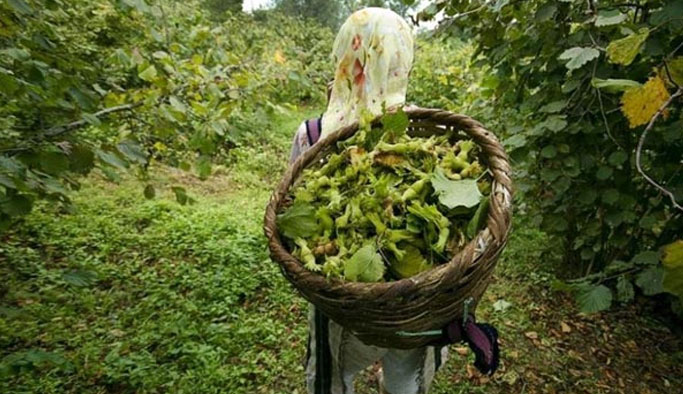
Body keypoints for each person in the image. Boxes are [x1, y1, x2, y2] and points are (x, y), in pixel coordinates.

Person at [287, 8, 448, 394]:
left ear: (343, 56)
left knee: (334, 376)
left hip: (344, 304)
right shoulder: (426, 133)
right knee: (405, 380)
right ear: (401, 61)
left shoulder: (311, 135)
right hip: (412, 300)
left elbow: (292, 212)